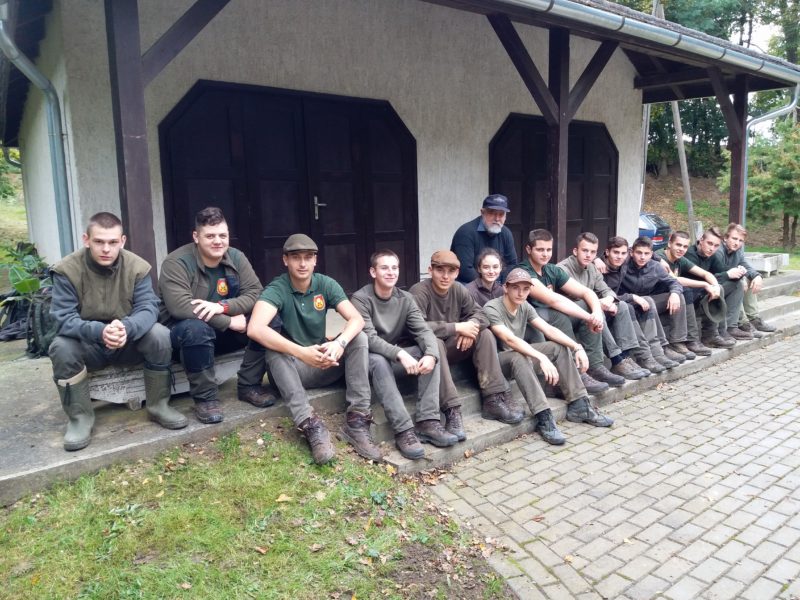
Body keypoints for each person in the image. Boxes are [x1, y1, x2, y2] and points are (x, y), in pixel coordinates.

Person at [49, 212, 187, 451]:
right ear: (86, 239)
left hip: (127, 343)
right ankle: (80, 418)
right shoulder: (66, 270)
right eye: (99, 241)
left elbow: (148, 308)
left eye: (113, 242)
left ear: (122, 241)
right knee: (61, 346)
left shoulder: (137, 267)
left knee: (160, 335)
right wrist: (100, 332)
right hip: (89, 346)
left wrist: (126, 328)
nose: (106, 249)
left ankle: (158, 405)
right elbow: (62, 318)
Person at [247, 234, 380, 465]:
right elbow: (255, 328)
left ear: (315, 260)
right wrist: (301, 352)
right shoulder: (278, 288)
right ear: (285, 260)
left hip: (323, 363)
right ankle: (310, 424)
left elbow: (356, 319)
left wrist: (339, 343)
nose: (302, 263)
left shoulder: (325, 284)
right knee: (274, 351)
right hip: (293, 369)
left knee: (358, 337)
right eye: (296, 257)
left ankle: (357, 421)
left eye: (308, 257)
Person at [159, 207, 274, 425]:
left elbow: (256, 293)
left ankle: (249, 385)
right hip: (183, 339)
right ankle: (206, 399)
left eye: (223, 235)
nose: (218, 241)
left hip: (221, 333)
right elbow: (180, 307)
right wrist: (228, 321)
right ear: (196, 237)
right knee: (195, 329)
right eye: (210, 236)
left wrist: (223, 307)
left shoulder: (236, 257)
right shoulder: (176, 262)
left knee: (268, 319)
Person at [485, 268, 613, 445]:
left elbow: (549, 330)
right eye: (515, 288)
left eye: (525, 289)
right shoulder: (492, 307)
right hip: (498, 363)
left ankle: (580, 405)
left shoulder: (524, 306)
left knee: (558, 347)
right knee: (519, 357)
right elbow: (509, 340)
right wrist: (542, 358)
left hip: (520, 356)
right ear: (506, 288)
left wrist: (577, 347)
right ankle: (544, 416)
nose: (521, 293)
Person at [351, 250, 456, 458]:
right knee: (378, 360)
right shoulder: (360, 299)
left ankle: (428, 420)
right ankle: (403, 430)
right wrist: (399, 353)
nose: (391, 272)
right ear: (373, 272)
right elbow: (369, 338)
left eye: (394, 268)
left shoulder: (406, 298)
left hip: (395, 358)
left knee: (431, 347)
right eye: (384, 268)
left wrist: (431, 355)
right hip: (367, 360)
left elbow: (423, 331)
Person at [410, 250, 523, 434]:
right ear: (430, 270)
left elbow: (481, 315)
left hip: (451, 348)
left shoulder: (458, 289)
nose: (445, 276)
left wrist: (470, 328)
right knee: (436, 342)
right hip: (425, 354)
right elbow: (417, 326)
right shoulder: (419, 291)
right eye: (440, 270)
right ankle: (452, 409)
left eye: (451, 271)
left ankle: (493, 398)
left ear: (457, 273)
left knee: (484, 334)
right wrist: (457, 327)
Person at [517, 229, 621, 393]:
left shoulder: (551, 269)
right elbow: (553, 300)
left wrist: (595, 313)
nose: (545, 254)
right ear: (529, 249)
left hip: (549, 317)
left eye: (548, 249)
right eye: (540, 249)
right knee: (559, 314)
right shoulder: (524, 272)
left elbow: (586, 292)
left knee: (587, 304)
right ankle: (576, 371)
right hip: (528, 321)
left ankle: (595, 366)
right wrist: (590, 318)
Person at [557, 232, 652, 380]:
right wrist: (599, 304)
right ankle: (616, 359)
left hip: (588, 312)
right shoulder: (563, 269)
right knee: (594, 308)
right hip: (569, 316)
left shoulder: (592, 268)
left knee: (622, 306)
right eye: (585, 250)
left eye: (592, 252)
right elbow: (577, 297)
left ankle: (625, 357)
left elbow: (606, 290)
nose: (588, 255)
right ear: (575, 251)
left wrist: (608, 300)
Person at [600, 237, 679, 373]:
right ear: (632, 253)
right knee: (628, 307)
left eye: (646, 254)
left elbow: (674, 282)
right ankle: (643, 356)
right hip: (611, 305)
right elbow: (605, 295)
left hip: (628, 302)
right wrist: (598, 259)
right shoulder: (612, 265)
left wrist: (675, 293)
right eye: (639, 253)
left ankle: (657, 352)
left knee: (648, 301)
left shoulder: (649, 265)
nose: (642, 257)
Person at [655, 231, 722, 356]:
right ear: (669, 243)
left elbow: (705, 274)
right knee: (685, 290)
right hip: (655, 296)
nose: (681, 249)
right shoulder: (660, 258)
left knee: (714, 288)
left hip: (672, 294)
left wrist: (715, 286)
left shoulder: (680, 259)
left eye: (685, 246)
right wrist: (705, 284)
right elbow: (675, 279)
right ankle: (689, 340)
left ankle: (710, 335)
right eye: (678, 245)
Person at [684, 227, 745, 348]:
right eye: (709, 243)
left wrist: (739, 272)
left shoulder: (711, 255)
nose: (712, 248)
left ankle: (729, 328)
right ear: (701, 240)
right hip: (690, 295)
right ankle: (710, 335)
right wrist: (727, 274)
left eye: (716, 245)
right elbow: (701, 280)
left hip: (704, 291)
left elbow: (722, 270)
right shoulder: (690, 254)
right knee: (718, 288)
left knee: (737, 284)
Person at [717, 223, 776, 336]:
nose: (737, 243)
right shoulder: (718, 251)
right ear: (725, 238)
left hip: (726, 284)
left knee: (750, 279)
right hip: (715, 286)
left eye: (740, 240)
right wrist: (740, 278)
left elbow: (747, 267)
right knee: (738, 284)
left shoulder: (737, 252)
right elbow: (720, 272)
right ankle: (743, 323)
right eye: (734, 238)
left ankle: (753, 318)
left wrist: (757, 276)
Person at [451, 194, 517, 284]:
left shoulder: (506, 233)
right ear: (482, 212)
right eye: (492, 213)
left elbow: (512, 264)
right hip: (468, 284)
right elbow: (465, 269)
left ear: (505, 216)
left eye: (501, 214)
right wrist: (488, 286)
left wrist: (499, 285)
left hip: (497, 284)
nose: (497, 219)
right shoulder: (465, 232)